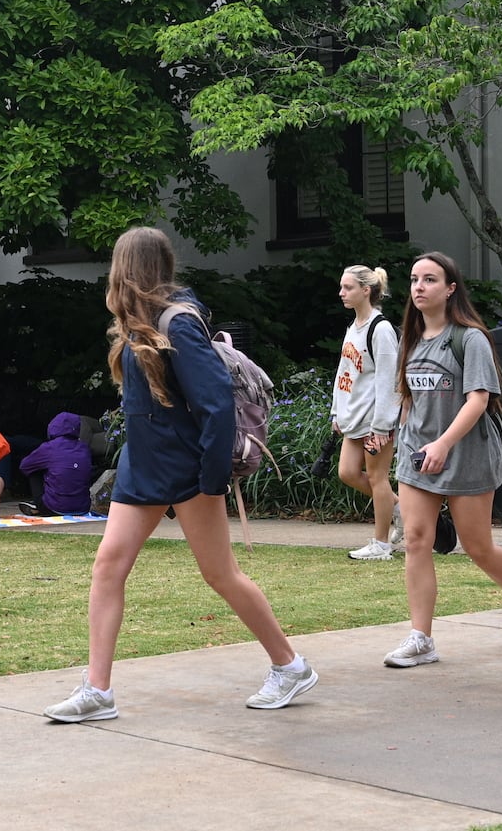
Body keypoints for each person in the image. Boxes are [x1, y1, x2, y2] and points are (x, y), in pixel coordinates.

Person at [44, 226, 318, 723]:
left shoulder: (179, 323)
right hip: (144, 463)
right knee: (108, 565)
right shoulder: (140, 322)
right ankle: (97, 690)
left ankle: (290, 665)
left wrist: (212, 480)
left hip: (187, 467)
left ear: (129, 268)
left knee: (220, 574)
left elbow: (215, 406)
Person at [383, 252, 502, 670]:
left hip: (467, 454)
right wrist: (400, 437)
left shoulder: (469, 338)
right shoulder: (411, 338)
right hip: (417, 456)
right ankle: (421, 638)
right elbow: (409, 397)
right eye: (415, 279)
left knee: (478, 547)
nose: (419, 287)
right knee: (416, 540)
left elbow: (479, 399)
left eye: (430, 280)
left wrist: (444, 444)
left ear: (450, 288)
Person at [331, 264, 401, 561]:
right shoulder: (353, 327)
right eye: (342, 287)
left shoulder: (381, 329)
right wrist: (336, 412)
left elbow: (390, 381)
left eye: (348, 288)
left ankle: (381, 545)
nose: (342, 293)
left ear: (366, 290)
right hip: (353, 418)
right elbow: (344, 373)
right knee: (347, 472)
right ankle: (402, 511)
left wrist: (382, 426)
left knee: (377, 478)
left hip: (375, 422)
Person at [16, 411, 93, 516]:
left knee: (34, 470)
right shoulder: (84, 448)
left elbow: (24, 466)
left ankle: (38, 505)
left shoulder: (49, 447)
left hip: (53, 507)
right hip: (83, 507)